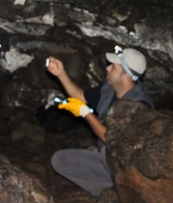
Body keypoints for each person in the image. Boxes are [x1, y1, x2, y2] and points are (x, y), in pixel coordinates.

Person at [47, 46, 154, 197]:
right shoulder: (109, 89)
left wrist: (85, 112)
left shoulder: (140, 106)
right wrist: (61, 73)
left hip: (129, 168)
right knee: (59, 160)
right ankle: (109, 191)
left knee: (105, 151)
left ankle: (123, 191)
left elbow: (111, 139)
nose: (108, 68)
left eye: (114, 67)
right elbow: (79, 95)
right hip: (108, 162)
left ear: (126, 77)